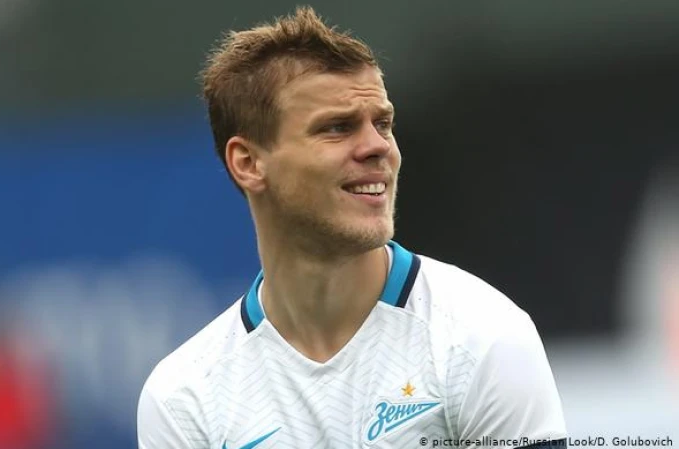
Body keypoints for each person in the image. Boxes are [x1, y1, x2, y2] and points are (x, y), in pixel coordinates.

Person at [138, 7, 567, 448]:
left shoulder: (481, 336)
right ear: (248, 163)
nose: (378, 147)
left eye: (383, 124)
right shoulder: (184, 397)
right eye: (338, 128)